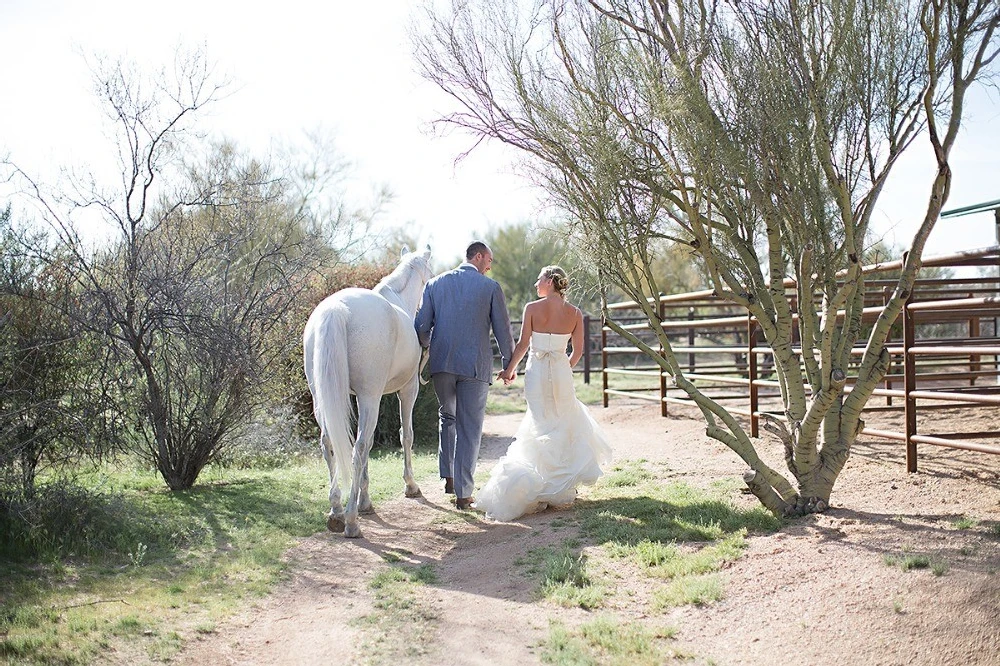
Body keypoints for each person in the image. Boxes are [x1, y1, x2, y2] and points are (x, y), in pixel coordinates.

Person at [475, 265, 612, 521]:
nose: (536, 283)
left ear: (550, 280)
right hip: (560, 371)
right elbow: (578, 351)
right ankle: (560, 486)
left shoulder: (532, 308)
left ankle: (542, 482)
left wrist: (508, 370)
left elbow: (524, 343)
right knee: (561, 420)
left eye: (539, 278)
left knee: (540, 421)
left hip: (536, 371)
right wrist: (562, 368)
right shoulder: (574, 313)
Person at [414, 241, 515, 510]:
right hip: (474, 366)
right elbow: (503, 330)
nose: (490, 266)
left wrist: (428, 346)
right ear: (478, 256)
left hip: (442, 365)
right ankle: (463, 494)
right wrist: (509, 364)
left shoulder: (434, 284)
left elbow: (422, 326)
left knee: (447, 416)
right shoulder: (490, 287)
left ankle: (448, 476)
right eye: (489, 260)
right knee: (469, 428)